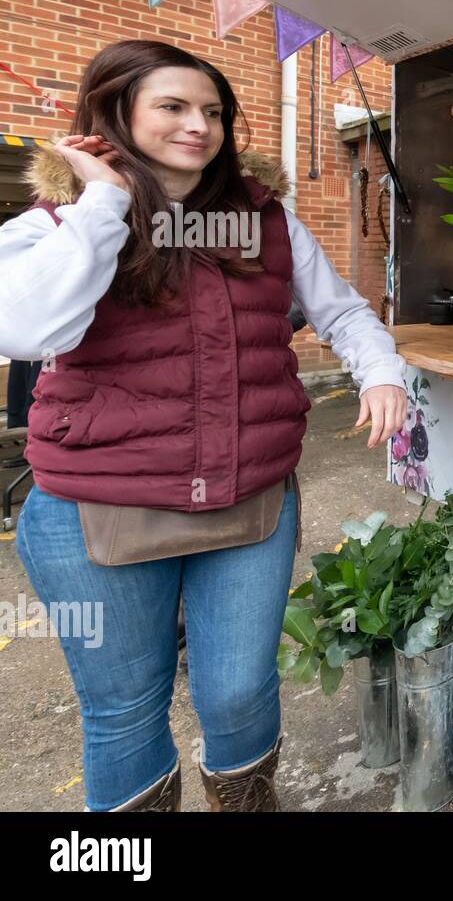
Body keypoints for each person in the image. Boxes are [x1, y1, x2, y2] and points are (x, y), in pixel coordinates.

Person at [0, 40, 409, 812]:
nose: (199, 126)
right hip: (97, 511)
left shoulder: (266, 216)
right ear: (115, 111)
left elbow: (344, 311)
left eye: (213, 111)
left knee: (241, 692)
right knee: (123, 712)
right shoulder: (56, 222)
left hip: (247, 500)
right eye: (174, 107)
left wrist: (380, 369)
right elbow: (23, 328)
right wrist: (103, 202)